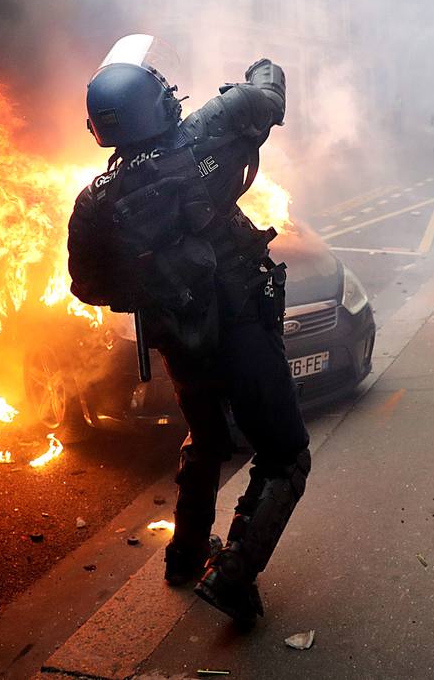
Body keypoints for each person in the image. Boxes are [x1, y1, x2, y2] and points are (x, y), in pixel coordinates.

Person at [67, 35, 309, 630]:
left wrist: (155, 288)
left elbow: (87, 286)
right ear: (159, 102)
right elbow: (268, 90)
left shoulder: (95, 202)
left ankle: (184, 556)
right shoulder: (209, 130)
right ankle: (231, 577)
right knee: (284, 457)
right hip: (242, 325)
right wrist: (254, 67)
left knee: (206, 439)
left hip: (180, 338)